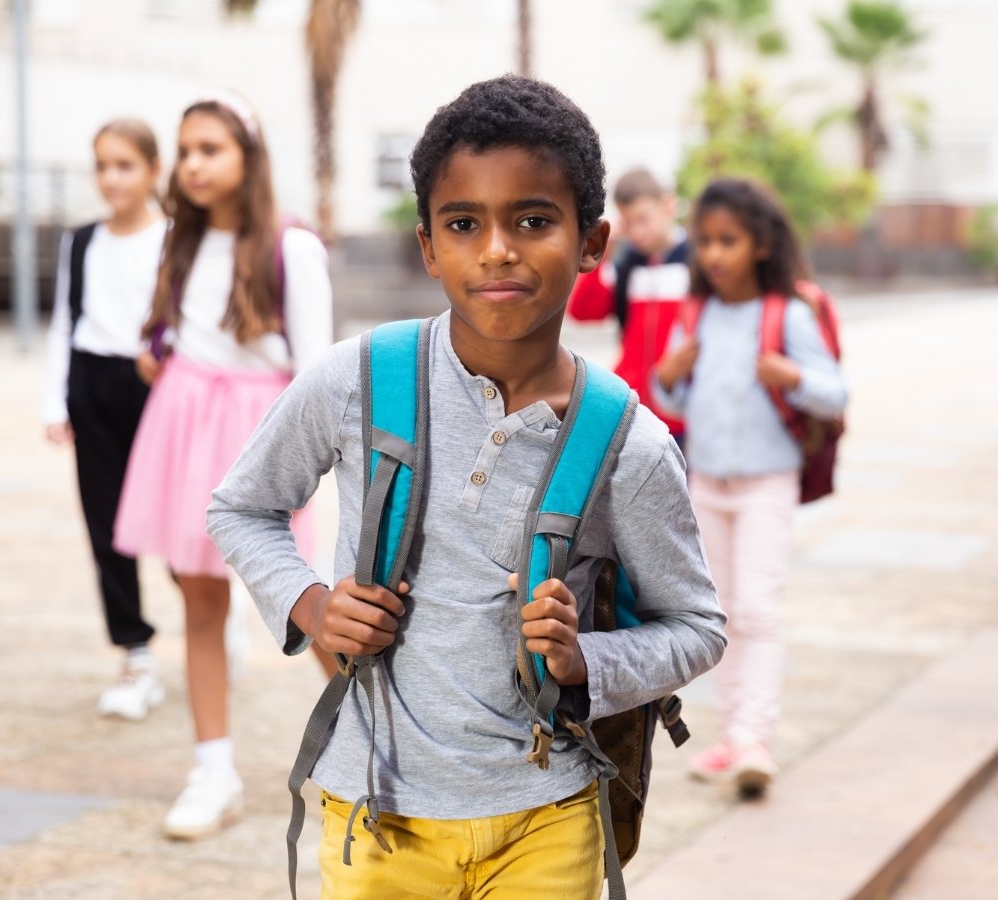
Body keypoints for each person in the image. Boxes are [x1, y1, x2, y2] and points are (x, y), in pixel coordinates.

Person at [207, 74, 725, 898]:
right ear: (428, 245)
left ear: (592, 244)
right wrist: (309, 605)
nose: (496, 249)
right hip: (375, 811)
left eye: (532, 220)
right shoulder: (355, 380)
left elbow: (697, 626)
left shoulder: (629, 444)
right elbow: (241, 505)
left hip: (549, 813)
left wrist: (585, 657)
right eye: (463, 223)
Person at [111, 92, 333, 838]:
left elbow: (317, 374)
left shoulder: (291, 246)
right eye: (187, 150)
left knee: (310, 605)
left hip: (260, 440)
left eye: (211, 148)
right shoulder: (179, 240)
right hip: (183, 428)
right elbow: (176, 327)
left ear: (248, 157)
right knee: (198, 603)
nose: (194, 164)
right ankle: (213, 770)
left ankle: (378, 754)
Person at [654, 177, 847, 796]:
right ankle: (733, 735)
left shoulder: (788, 313)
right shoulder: (697, 313)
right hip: (706, 482)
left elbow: (835, 391)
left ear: (761, 244)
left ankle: (753, 737)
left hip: (768, 481)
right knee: (719, 613)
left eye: (728, 241)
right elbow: (669, 396)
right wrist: (668, 375)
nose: (713, 254)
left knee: (758, 609)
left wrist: (793, 376)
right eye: (705, 241)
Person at [43, 119, 168, 721]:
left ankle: (211, 616)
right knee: (106, 525)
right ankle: (135, 655)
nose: (111, 177)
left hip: (154, 387)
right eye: (102, 165)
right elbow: (64, 324)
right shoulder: (81, 240)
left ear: (152, 170)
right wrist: (55, 401)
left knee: (174, 522)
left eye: (124, 164)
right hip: (92, 384)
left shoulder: (174, 239)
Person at [567, 167, 688, 439]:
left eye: (643, 219)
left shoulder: (696, 263)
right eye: (628, 223)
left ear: (668, 206)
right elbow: (583, 311)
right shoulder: (627, 266)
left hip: (683, 413)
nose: (637, 232)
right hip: (636, 414)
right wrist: (604, 253)